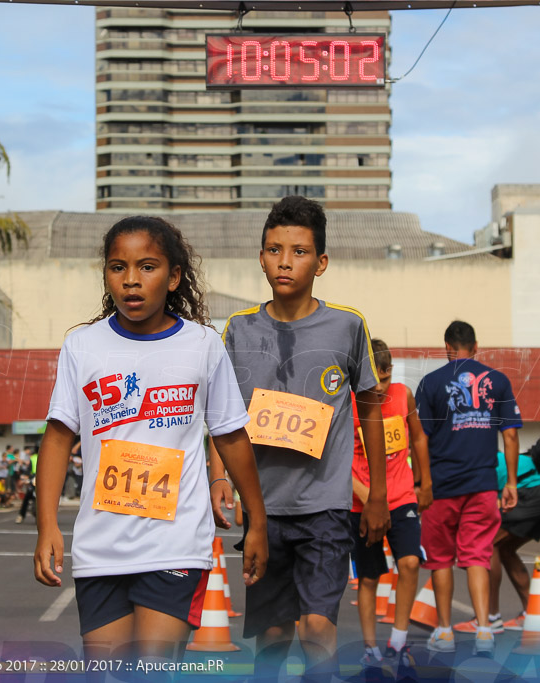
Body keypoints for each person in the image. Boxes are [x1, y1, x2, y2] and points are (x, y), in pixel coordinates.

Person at [33, 216, 267, 664]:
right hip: (100, 545)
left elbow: (231, 436)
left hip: (176, 542)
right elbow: (58, 439)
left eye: (147, 266)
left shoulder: (202, 345)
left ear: (174, 276)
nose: (132, 281)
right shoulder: (82, 347)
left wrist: (257, 520)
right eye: (118, 267)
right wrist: (47, 526)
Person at [209, 195, 391, 680]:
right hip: (263, 511)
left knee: (316, 628)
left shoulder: (348, 326)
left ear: (322, 262)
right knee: (271, 637)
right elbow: (221, 414)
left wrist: (378, 492)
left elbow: (370, 410)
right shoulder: (238, 329)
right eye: (273, 249)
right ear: (261, 256)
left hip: (326, 509)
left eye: (299, 251)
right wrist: (218, 477)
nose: (285, 261)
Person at [416, 320, 520, 656]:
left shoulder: (431, 384)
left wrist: (421, 483)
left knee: (441, 560)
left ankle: (444, 630)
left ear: (447, 347)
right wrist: (512, 482)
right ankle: (485, 629)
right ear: (476, 347)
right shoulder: (498, 381)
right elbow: (511, 434)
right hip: (483, 484)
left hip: (441, 486)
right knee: (478, 556)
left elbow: (420, 439)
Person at [350, 339, 431, 672]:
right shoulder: (350, 402)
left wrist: (425, 482)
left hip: (401, 497)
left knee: (410, 563)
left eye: (386, 378)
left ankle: (398, 640)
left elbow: (419, 437)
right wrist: (370, 500)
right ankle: (370, 648)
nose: (381, 387)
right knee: (369, 578)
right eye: (375, 380)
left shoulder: (403, 395)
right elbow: (338, 460)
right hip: (362, 503)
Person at [459, 441, 540, 635]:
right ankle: (530, 613)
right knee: (506, 550)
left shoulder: (489, 464)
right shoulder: (500, 460)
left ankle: (491, 616)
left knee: (487, 544)